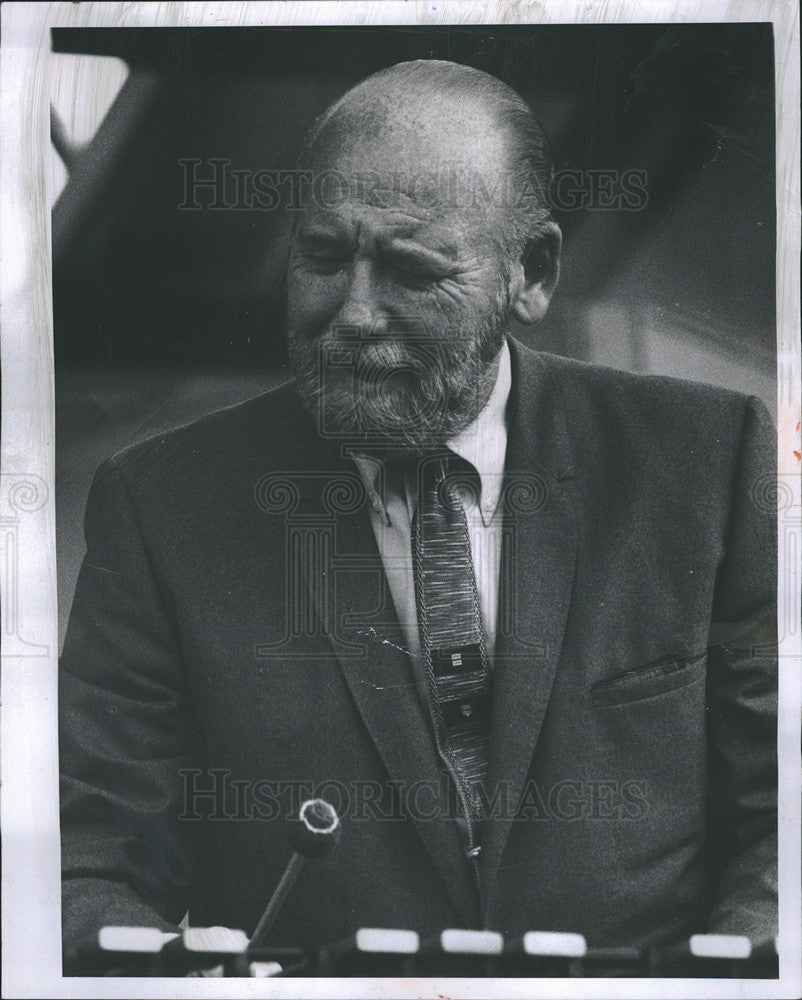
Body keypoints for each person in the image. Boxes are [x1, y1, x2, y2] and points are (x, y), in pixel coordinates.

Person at [59, 60, 777, 966]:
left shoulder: (708, 463)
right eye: (323, 257)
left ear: (534, 272)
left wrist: (739, 975)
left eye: (411, 269)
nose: (354, 314)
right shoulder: (158, 508)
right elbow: (90, 863)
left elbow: (781, 817)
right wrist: (169, 966)